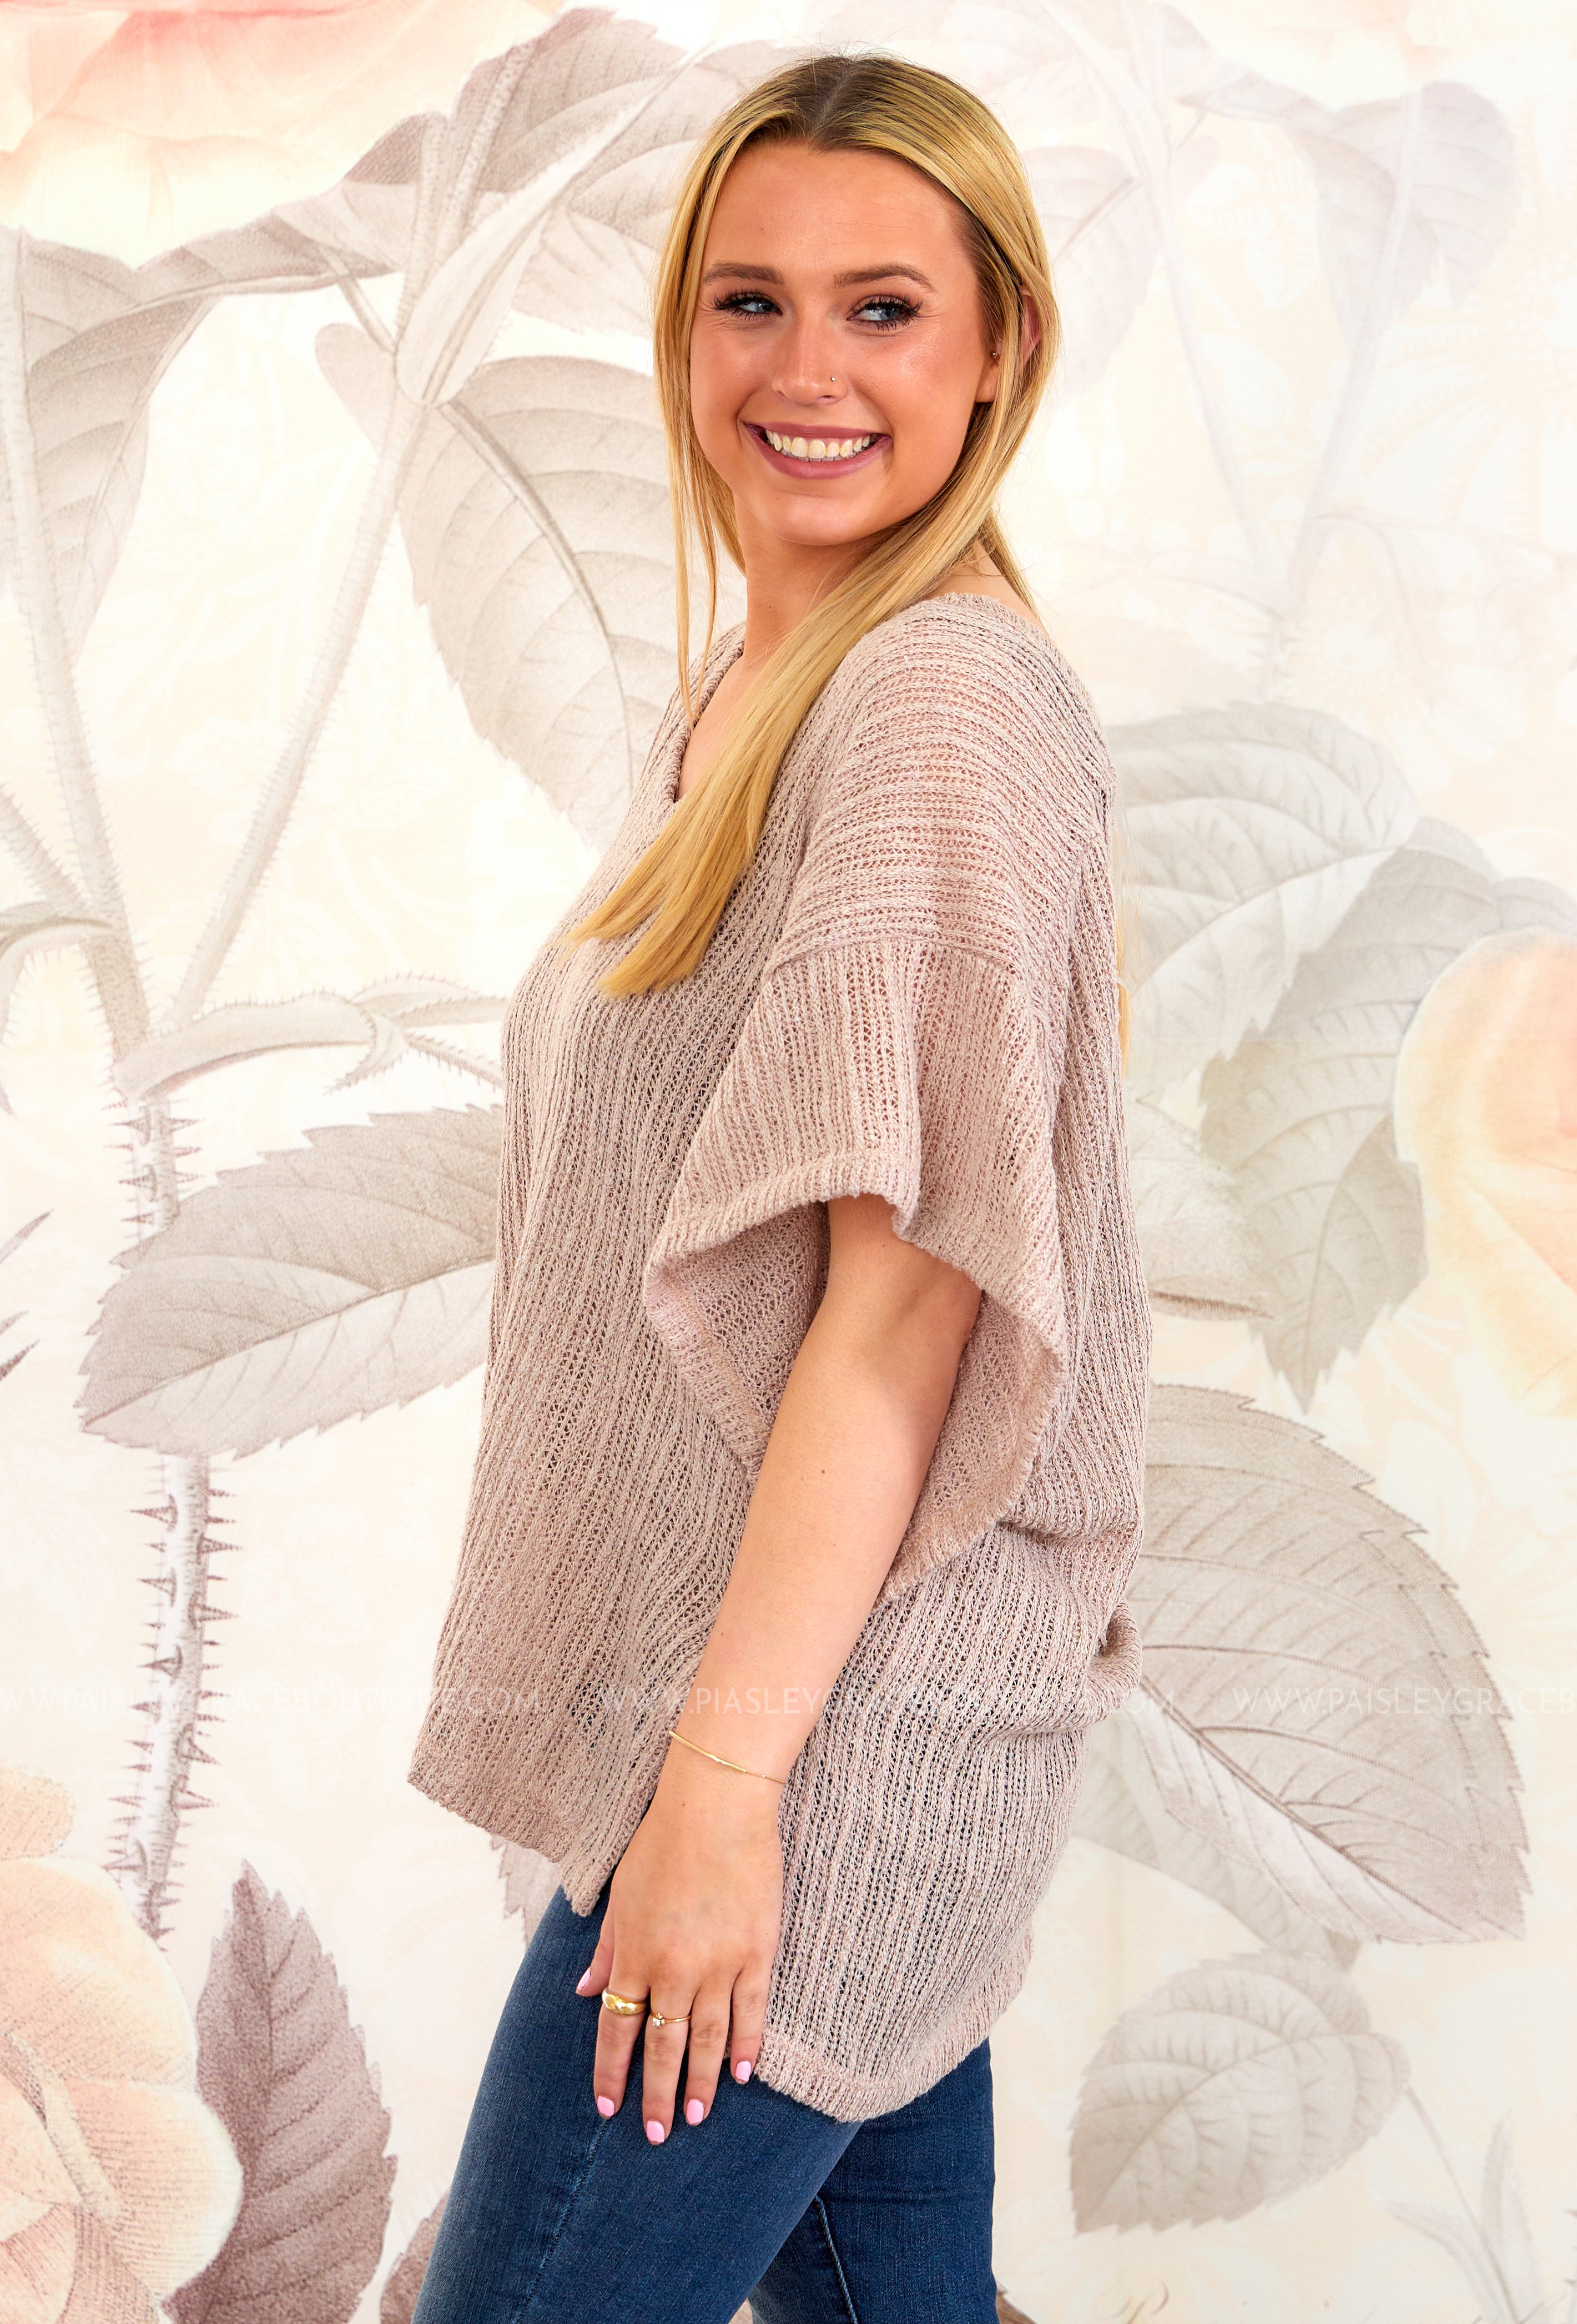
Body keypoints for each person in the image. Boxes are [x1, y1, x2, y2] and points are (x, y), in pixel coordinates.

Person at [406, 44, 1151, 2324]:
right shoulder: (768, 684)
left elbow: (906, 1308)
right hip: (814, 1699)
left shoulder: (934, 707)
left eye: (882, 308)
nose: (804, 370)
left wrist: (725, 1789)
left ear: (1001, 345)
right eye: (750, 302)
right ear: (681, 333)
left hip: (820, 1730)